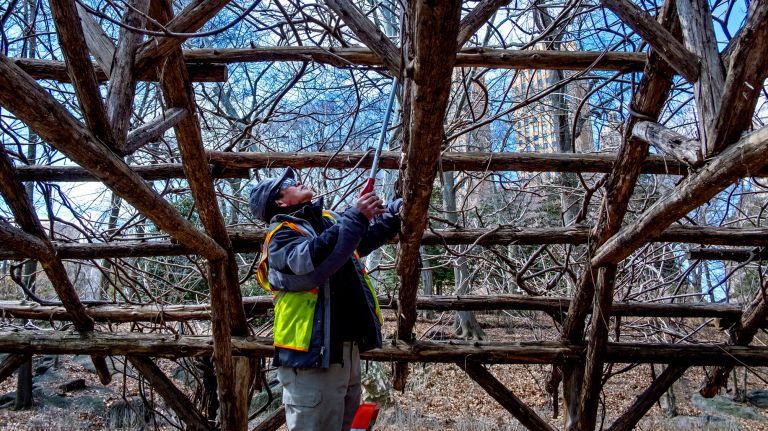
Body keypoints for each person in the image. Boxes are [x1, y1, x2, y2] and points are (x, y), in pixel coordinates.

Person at [249, 167, 401, 430]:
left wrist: (394, 214)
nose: (298, 181)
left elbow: (360, 237)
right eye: (289, 182)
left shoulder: (328, 220)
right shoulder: (281, 236)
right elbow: (309, 261)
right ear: (280, 201)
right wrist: (355, 217)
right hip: (311, 360)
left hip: (345, 352)